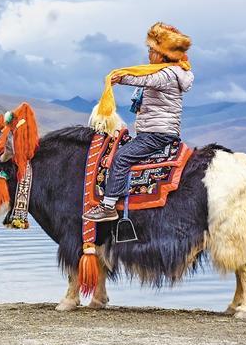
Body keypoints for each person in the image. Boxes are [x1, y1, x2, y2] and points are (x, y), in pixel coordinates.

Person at [83, 23, 194, 222]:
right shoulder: (171, 72)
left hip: (156, 133)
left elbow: (146, 80)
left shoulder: (168, 74)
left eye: (152, 50)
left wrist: (121, 78)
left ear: (163, 54)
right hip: (156, 131)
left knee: (121, 158)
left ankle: (108, 206)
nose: (149, 54)